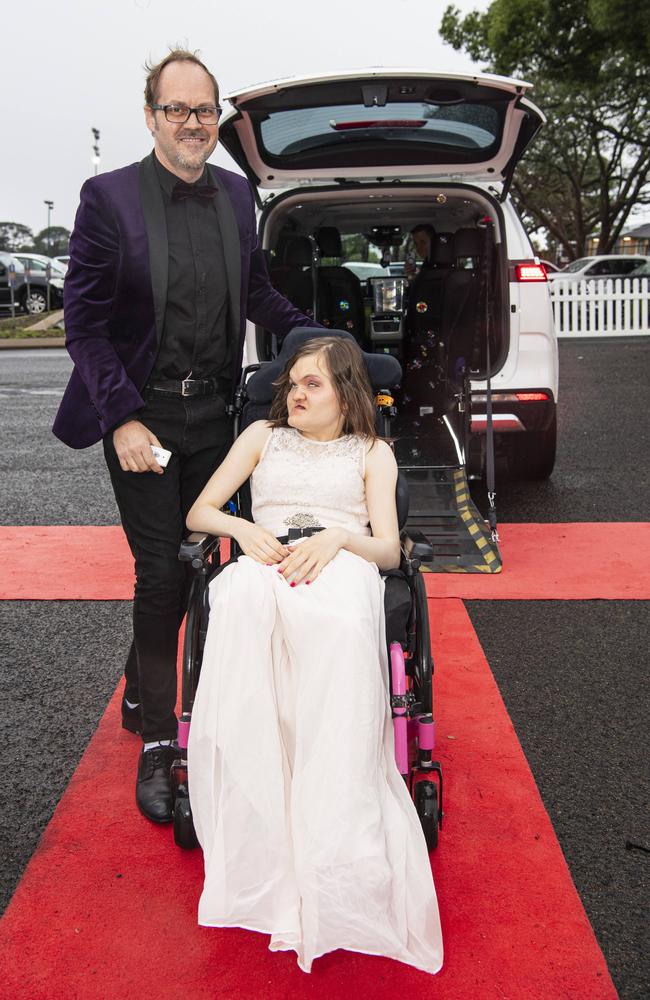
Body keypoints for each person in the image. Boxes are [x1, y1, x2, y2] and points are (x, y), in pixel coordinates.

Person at [52, 49, 317, 824]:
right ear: (151, 116)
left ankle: (147, 685)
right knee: (161, 571)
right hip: (145, 419)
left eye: (205, 110)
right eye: (178, 110)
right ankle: (162, 743)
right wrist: (122, 418)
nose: (193, 122)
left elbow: (258, 292)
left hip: (219, 419)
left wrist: (316, 336)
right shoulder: (108, 199)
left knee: (211, 566)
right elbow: (85, 323)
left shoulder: (240, 197)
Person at [185, 336, 443, 976]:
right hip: (267, 557)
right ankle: (262, 795)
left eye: (313, 385)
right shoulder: (261, 439)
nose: (296, 394)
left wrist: (337, 537)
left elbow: (389, 550)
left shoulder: (373, 453)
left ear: (347, 394)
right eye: (292, 384)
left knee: (326, 622)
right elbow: (201, 509)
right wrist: (244, 529)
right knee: (238, 602)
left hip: (342, 564)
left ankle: (328, 808)